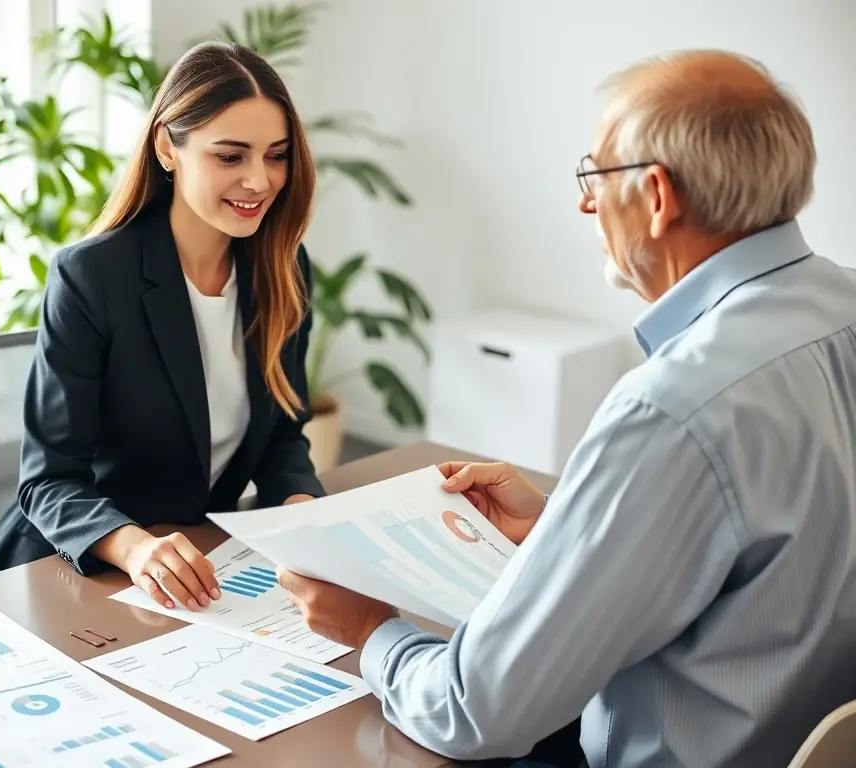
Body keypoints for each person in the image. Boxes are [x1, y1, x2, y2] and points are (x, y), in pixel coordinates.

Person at [278, 49, 856, 767]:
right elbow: (771, 553)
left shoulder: (672, 407)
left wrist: (368, 630)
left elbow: (473, 714)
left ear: (654, 196)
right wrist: (564, 523)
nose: (585, 202)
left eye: (595, 174)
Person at [0, 41, 326, 614]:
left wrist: (301, 512)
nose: (260, 181)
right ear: (168, 146)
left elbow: (282, 436)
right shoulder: (92, 276)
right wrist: (137, 548)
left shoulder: (282, 269)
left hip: (196, 565)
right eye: (231, 156)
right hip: (75, 571)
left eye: (277, 155)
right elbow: (48, 482)